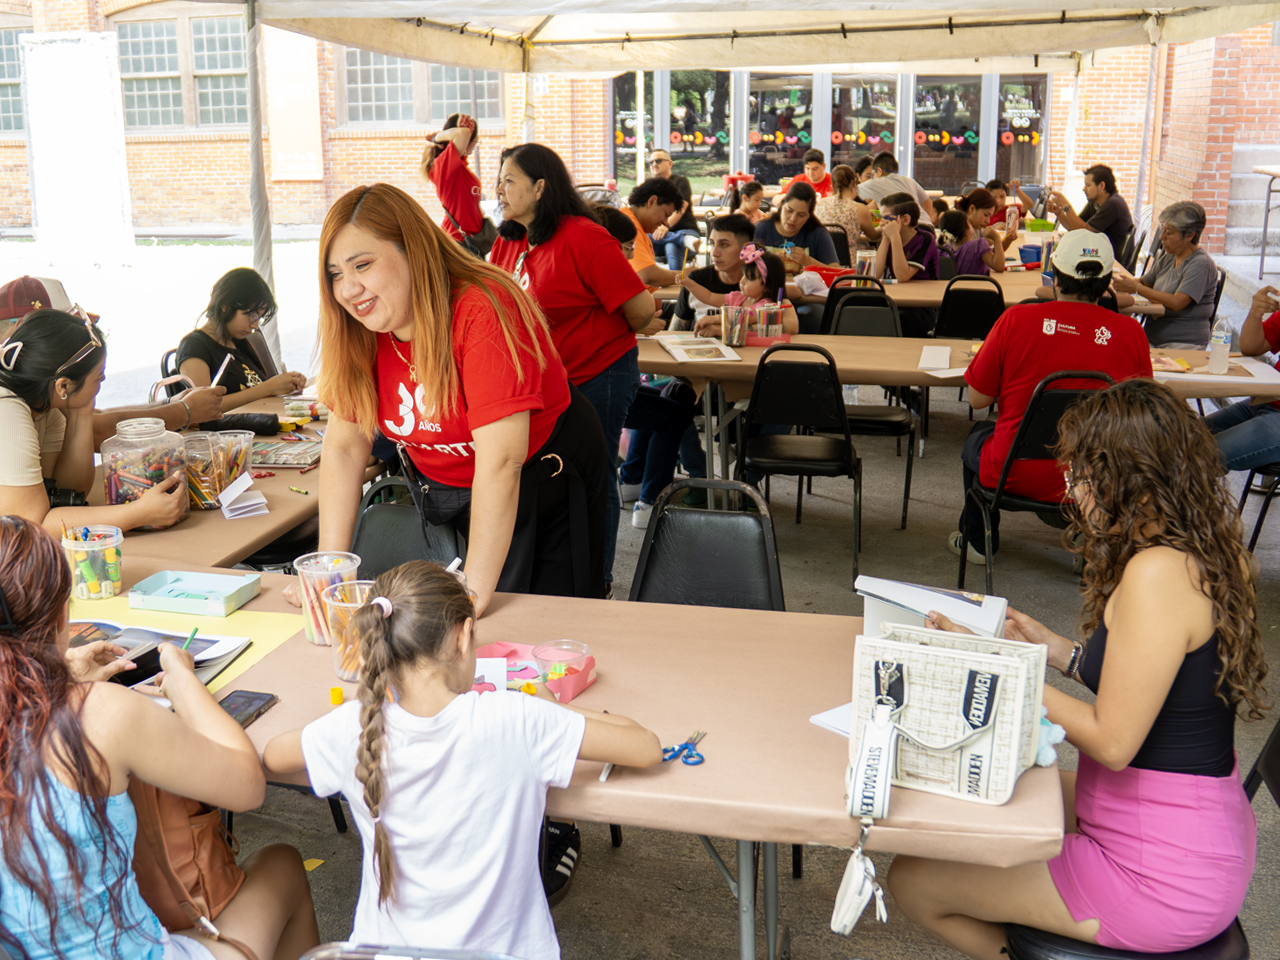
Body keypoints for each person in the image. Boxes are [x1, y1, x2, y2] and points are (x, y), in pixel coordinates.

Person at [894, 377, 1267, 959]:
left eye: (1081, 477)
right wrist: (1057, 651)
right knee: (1002, 789)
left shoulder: (1157, 575)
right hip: (1188, 830)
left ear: (1128, 481)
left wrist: (997, 664)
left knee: (913, 880)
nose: (1073, 491)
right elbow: (1161, 684)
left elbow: (1112, 742)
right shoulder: (1206, 553)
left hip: (1161, 874)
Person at [263, 560, 661, 958]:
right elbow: (645, 747)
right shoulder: (516, 718)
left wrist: (343, 719)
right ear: (464, 635)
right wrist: (553, 708)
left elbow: (276, 756)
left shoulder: (354, 726)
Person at [0, 515, 319, 960]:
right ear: (60, 615)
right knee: (282, 864)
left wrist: (60, 673)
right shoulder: (100, 713)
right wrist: (184, 680)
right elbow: (247, 786)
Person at [315, 182, 611, 617]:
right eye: (336, 274)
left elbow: (501, 462)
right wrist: (329, 573)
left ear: (413, 250)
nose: (348, 289)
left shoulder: (482, 308)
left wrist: (470, 593)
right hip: (457, 492)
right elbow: (344, 448)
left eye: (362, 265)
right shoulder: (358, 329)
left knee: (540, 621)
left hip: (542, 476)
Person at [488, 143, 660, 594]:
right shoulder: (510, 241)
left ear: (540, 188)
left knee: (594, 479)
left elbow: (641, 311)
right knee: (551, 477)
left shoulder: (584, 236)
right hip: (541, 384)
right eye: (498, 181)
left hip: (597, 375)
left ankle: (597, 584)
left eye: (509, 181)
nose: (499, 190)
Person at [947, 231, 1153, 563]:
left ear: (1055, 277)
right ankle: (1093, 545)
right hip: (1097, 481)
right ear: (1105, 285)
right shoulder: (1131, 334)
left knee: (978, 437)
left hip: (1014, 472)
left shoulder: (1015, 319)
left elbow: (977, 399)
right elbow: (1140, 415)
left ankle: (978, 544)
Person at [0, 309, 188, 536]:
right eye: (99, 376)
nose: (104, 379)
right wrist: (138, 513)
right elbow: (30, 526)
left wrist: (81, 413)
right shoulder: (7, 412)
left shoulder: (45, 404)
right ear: (63, 385)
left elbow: (66, 491)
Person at [0, 275, 225, 448]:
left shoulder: (33, 378)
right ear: (24, 326)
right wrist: (183, 411)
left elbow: (90, 416)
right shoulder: (11, 399)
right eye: (62, 328)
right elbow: (93, 432)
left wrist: (168, 404)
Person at [176, 268, 306, 411]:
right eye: (252, 315)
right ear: (225, 307)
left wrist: (285, 384)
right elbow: (202, 408)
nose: (255, 325)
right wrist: (269, 387)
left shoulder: (238, 342)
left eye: (259, 317)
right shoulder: (194, 346)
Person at [1112, 201, 1219, 349]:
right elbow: (1145, 282)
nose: (1161, 237)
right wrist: (1118, 284)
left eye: (1168, 233)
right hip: (1154, 337)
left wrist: (1136, 288)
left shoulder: (1201, 264)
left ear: (1189, 235)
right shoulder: (1170, 256)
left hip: (1181, 342)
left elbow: (1176, 303)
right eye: (1162, 230)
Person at [1204, 285, 1280, 471]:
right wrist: (1255, 313)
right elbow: (1251, 347)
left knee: (1202, 455)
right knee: (1179, 436)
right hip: (1267, 401)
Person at [754, 182, 840, 335]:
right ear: (782, 205)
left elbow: (836, 273)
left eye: (801, 215)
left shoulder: (817, 234)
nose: (793, 219)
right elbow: (745, 267)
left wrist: (808, 261)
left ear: (809, 215)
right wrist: (768, 262)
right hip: (766, 300)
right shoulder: (762, 229)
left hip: (806, 301)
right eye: (789, 210)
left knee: (814, 316)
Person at [682, 244, 799, 336]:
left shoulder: (766, 307)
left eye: (749, 279)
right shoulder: (737, 297)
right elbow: (709, 297)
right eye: (743, 276)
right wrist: (689, 283)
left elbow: (745, 316)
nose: (742, 281)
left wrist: (716, 318)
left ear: (766, 286)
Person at [420, 113, 484, 244]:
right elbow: (463, 133)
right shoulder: (443, 166)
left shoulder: (458, 165)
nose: (475, 143)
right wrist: (436, 138)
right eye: (475, 140)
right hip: (458, 240)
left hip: (472, 240)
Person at [1047, 164, 1133, 259]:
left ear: (1101, 186)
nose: (1084, 189)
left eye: (1088, 185)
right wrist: (1059, 212)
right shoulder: (1095, 203)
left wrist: (1066, 206)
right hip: (1099, 254)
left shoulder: (1113, 204)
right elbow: (1075, 227)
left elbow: (1085, 232)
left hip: (1110, 260)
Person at [619, 177, 686, 287]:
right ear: (652, 201)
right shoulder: (628, 225)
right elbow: (647, 275)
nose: (665, 222)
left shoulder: (637, 225)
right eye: (666, 215)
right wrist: (686, 274)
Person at [646, 149, 702, 272]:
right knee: (641, 236)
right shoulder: (648, 185)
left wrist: (665, 226)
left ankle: (675, 281)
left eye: (658, 161)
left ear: (670, 164)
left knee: (672, 245)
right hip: (659, 237)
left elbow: (680, 209)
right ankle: (682, 239)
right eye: (651, 162)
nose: (654, 164)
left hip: (686, 230)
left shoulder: (680, 182)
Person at [857, 151, 933, 212]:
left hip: (905, 225)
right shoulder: (909, 181)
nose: (873, 178)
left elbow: (851, 192)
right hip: (925, 224)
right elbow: (928, 202)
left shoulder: (876, 183)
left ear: (879, 171)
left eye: (873, 174)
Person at [938, 208, 1005, 275]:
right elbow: (999, 267)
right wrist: (997, 238)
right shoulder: (979, 245)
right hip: (979, 282)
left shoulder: (944, 251)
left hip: (954, 282)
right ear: (967, 224)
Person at [814, 163, 864, 249]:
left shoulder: (819, 205)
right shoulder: (859, 208)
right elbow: (873, 236)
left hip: (823, 255)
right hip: (850, 256)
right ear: (853, 182)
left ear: (832, 184)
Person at [956, 187, 1019, 254]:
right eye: (986, 215)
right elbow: (991, 257)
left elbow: (992, 252)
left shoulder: (977, 227)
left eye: (990, 216)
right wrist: (996, 238)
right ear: (972, 209)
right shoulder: (961, 230)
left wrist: (1008, 240)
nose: (988, 221)